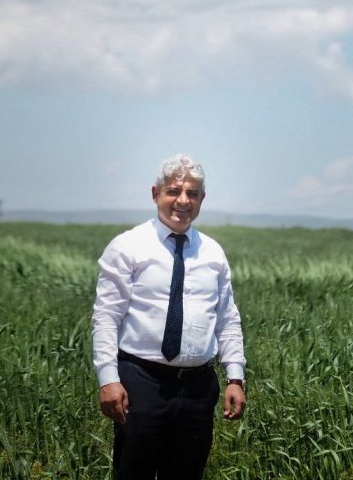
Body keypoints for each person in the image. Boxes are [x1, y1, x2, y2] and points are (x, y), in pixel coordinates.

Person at [92, 154, 246, 480]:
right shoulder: (128, 246)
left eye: (192, 193)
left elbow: (227, 318)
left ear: (202, 199)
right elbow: (106, 317)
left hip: (198, 388)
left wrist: (235, 377)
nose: (183, 201)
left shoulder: (213, 253)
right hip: (141, 383)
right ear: (155, 194)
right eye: (174, 191)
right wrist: (108, 379)